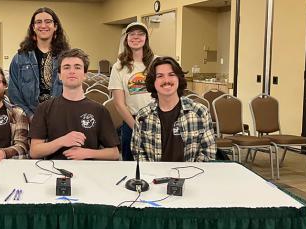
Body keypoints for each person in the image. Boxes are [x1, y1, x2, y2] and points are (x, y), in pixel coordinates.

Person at [30, 48, 120, 160]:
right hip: (54, 171)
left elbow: (114, 153)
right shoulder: (44, 108)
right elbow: (34, 151)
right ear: (59, 75)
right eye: (66, 67)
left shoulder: (99, 110)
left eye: (77, 67)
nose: (72, 71)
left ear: (85, 74)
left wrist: (87, 153)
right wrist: (62, 141)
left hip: (88, 172)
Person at [131, 56, 216, 162]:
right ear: (153, 82)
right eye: (160, 76)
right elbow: (138, 153)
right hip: (155, 176)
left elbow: (208, 153)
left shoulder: (200, 112)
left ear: (179, 79)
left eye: (171, 75)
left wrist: (188, 174)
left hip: (191, 175)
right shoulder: (143, 116)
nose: (166, 80)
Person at [8, 7, 70, 118]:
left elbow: (72, 88)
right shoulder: (20, 58)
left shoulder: (66, 57)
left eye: (48, 22)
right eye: (38, 22)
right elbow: (14, 94)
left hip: (59, 116)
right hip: (28, 118)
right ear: (33, 27)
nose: (43, 26)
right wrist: (30, 116)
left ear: (55, 26)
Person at [108, 21, 155, 161]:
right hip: (131, 122)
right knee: (130, 167)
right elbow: (119, 104)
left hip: (157, 121)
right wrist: (137, 128)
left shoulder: (156, 62)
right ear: (126, 39)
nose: (136, 37)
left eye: (140, 34)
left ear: (146, 38)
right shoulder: (118, 67)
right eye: (132, 34)